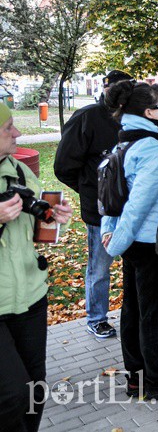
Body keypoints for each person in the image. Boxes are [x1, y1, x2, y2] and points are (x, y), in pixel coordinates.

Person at [100, 81, 158, 400]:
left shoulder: (125, 143)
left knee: (133, 309)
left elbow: (108, 197)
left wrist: (111, 233)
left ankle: (136, 376)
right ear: (148, 112)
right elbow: (137, 204)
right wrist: (115, 241)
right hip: (147, 243)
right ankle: (155, 380)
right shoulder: (151, 147)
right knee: (150, 314)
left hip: (131, 241)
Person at [0, 103, 73, 431]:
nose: (17, 133)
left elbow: (43, 233)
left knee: (34, 388)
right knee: (10, 395)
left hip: (30, 297)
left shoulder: (17, 170)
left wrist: (57, 220)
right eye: (8, 127)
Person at [54, 69, 131, 339]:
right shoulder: (87, 118)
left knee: (136, 265)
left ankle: (137, 312)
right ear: (106, 89)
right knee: (99, 268)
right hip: (101, 212)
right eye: (116, 90)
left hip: (133, 209)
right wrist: (93, 191)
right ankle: (96, 317)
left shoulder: (132, 118)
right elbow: (63, 166)